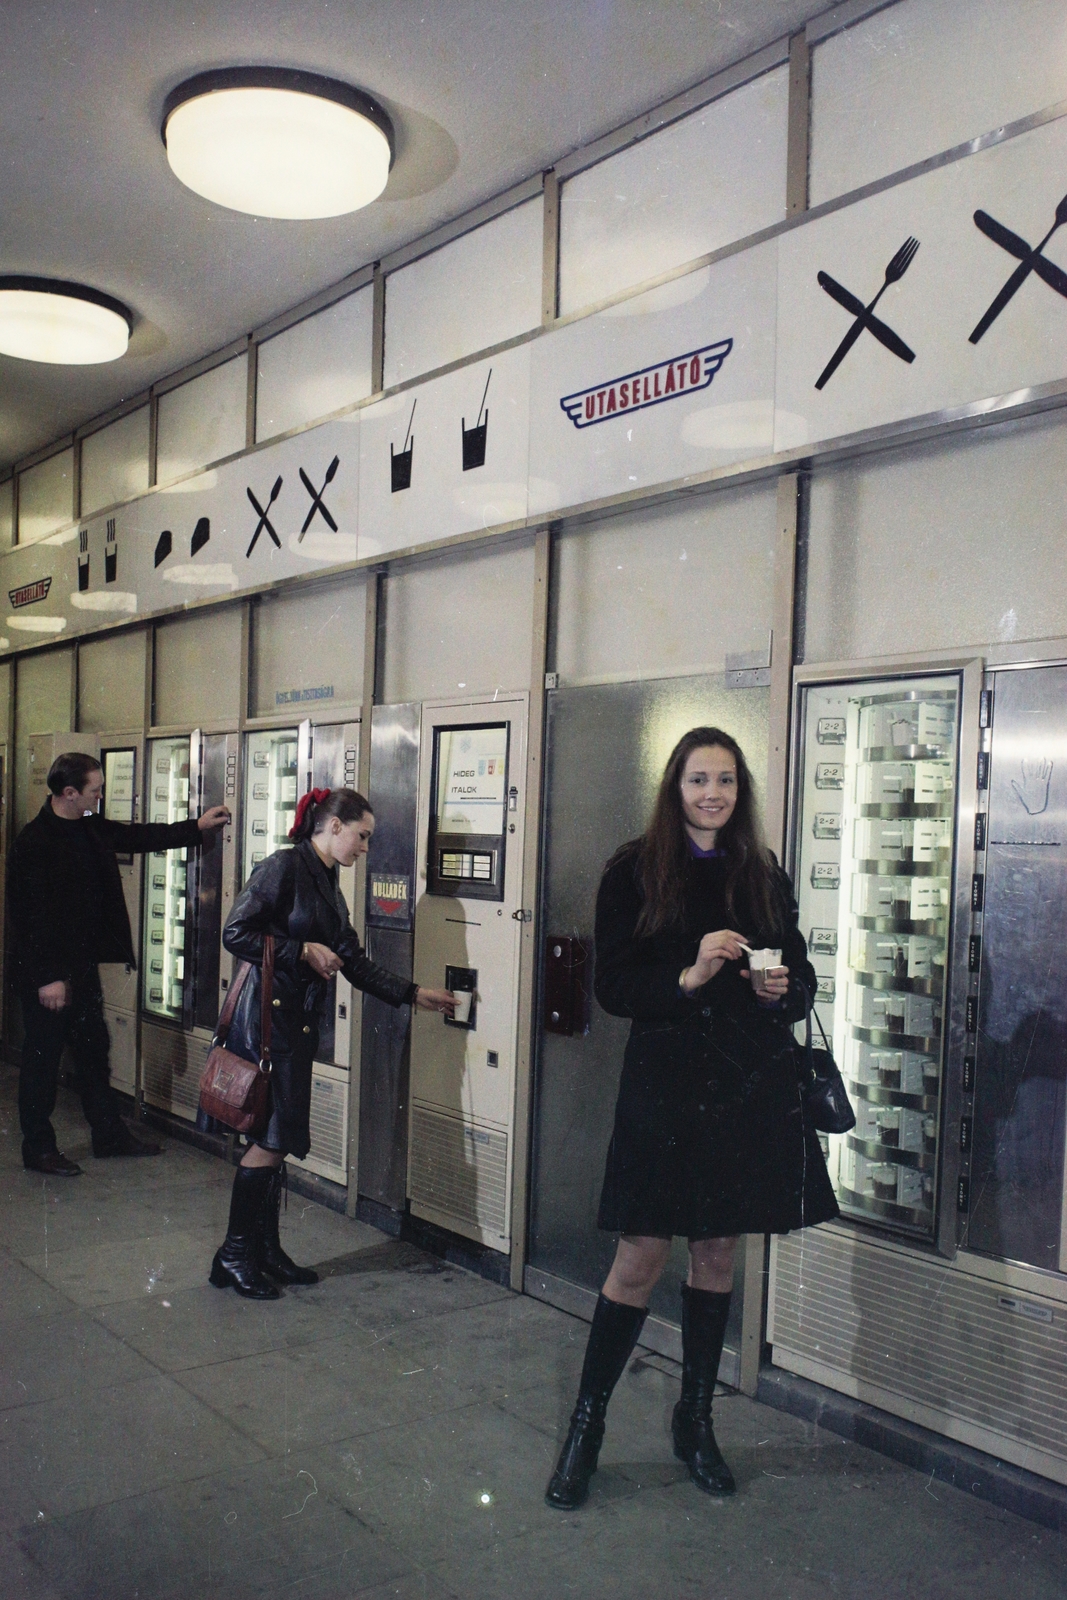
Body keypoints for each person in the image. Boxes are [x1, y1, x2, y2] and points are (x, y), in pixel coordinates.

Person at [545, 727, 838, 1511]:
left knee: (716, 1254)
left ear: (740, 793)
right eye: (698, 779)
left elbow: (801, 976)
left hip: (747, 1089)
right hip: (666, 1090)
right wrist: (691, 971)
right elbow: (613, 986)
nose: (712, 794)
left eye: (726, 781)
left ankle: (695, 1421)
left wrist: (786, 991)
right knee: (638, 1260)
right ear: (673, 787)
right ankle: (586, 1428)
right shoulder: (633, 870)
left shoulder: (762, 873)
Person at [210, 786, 456, 1299]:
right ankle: (234, 1254)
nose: (364, 847)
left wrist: (414, 994)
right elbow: (235, 933)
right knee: (270, 1141)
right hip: (266, 1029)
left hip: (292, 1029)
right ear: (335, 826)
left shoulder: (326, 880)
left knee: (277, 1143)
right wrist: (301, 952)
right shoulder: (284, 867)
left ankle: (264, 1251)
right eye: (362, 836)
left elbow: (353, 961)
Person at [9, 749, 229, 1175]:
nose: (101, 796)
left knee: (95, 1052)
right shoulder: (33, 843)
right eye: (95, 790)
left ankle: (108, 1135)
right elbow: (26, 919)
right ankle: (37, 1148)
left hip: (81, 969)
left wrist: (196, 827)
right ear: (69, 793)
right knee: (42, 1061)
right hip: (48, 978)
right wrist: (48, 978)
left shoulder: (90, 829)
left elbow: (137, 837)